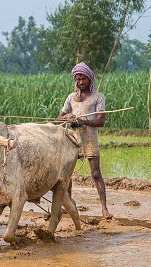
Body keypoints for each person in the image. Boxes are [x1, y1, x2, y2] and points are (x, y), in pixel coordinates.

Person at [57, 62, 113, 219]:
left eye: (83, 79)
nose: (81, 82)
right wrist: (67, 117)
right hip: (73, 140)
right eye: (78, 79)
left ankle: (104, 209)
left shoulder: (98, 97)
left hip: (90, 140)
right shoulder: (71, 98)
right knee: (67, 176)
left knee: (96, 174)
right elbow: (58, 119)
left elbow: (100, 121)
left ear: (89, 79)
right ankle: (68, 206)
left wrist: (85, 122)